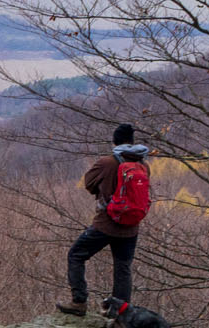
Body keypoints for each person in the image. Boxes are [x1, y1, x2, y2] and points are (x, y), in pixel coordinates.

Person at [57, 123, 153, 315]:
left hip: (106, 224)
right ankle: (120, 313)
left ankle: (79, 302)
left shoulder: (106, 162)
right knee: (123, 268)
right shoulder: (143, 165)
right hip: (131, 227)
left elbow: (89, 183)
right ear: (132, 142)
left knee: (76, 255)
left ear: (115, 140)